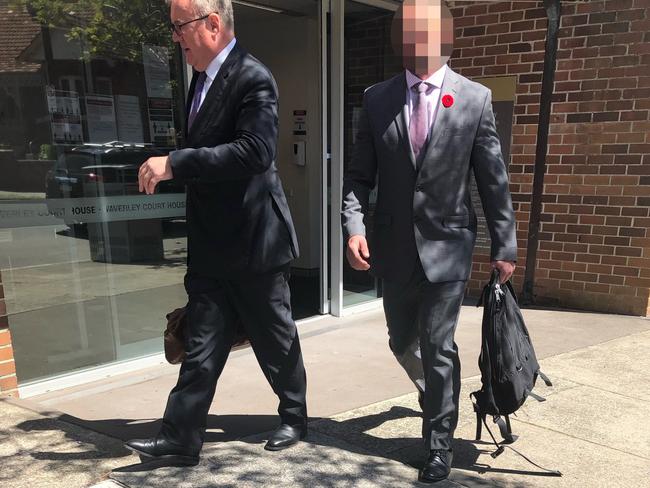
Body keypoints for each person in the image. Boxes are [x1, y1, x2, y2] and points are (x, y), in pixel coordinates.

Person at [126, 0, 308, 466]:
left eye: (179, 26)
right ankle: (180, 437)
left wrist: (176, 163)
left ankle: (294, 414)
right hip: (211, 243)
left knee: (274, 335)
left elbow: (255, 151)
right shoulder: (199, 83)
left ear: (212, 23)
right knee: (202, 342)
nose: (175, 37)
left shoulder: (253, 77)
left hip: (255, 240)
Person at [341, 0, 517, 483]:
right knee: (403, 339)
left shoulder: (474, 99)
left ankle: (438, 443)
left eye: (427, 30)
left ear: (444, 36)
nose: (417, 40)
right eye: (409, 30)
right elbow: (358, 175)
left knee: (438, 347)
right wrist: (354, 227)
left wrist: (505, 245)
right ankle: (442, 394)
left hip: (449, 247)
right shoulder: (377, 98)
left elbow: (492, 180)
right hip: (393, 247)